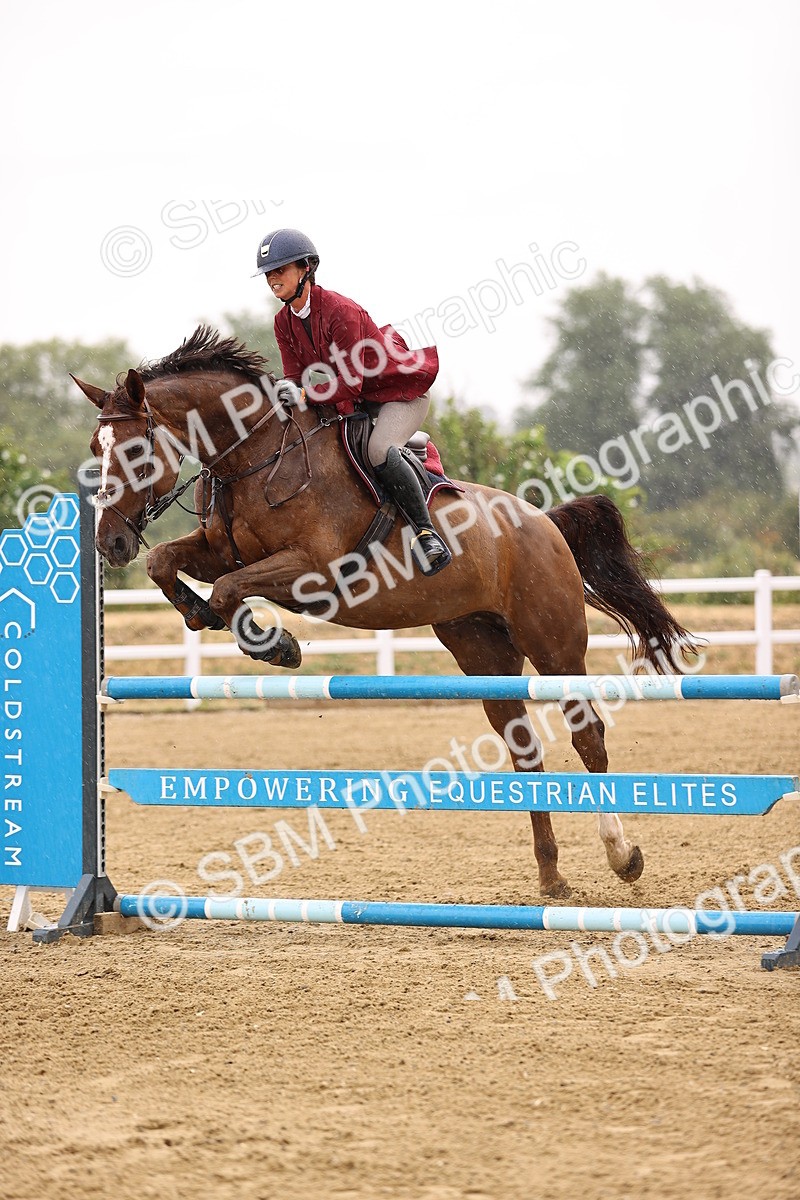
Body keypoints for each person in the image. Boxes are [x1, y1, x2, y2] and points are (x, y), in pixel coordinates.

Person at [254, 228, 451, 576]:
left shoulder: (341, 311)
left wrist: (304, 394)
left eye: (280, 269)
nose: (272, 278)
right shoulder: (283, 322)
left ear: (306, 268)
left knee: (378, 451)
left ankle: (426, 534)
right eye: (268, 273)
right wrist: (281, 393)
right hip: (356, 401)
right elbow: (295, 377)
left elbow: (350, 382)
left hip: (398, 394)